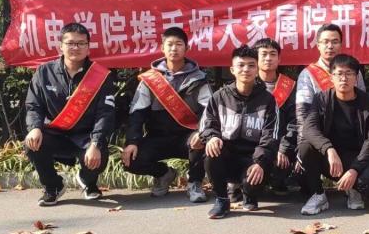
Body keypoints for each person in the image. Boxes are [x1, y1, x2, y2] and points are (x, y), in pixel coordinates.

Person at [24, 22, 116, 206]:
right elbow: (34, 105)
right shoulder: (44, 72)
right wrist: (35, 128)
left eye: (81, 43)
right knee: (32, 144)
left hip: (86, 136)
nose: (76, 47)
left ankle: (87, 180)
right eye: (71, 43)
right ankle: (53, 186)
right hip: (56, 134)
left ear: (88, 47)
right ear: (61, 46)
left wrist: (96, 142)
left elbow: (105, 113)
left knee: (100, 154)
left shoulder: (101, 76)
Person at [121, 26, 211, 201]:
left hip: (187, 136)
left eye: (179, 44)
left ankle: (195, 182)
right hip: (157, 137)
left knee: (205, 143)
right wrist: (132, 142)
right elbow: (137, 114)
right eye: (169, 44)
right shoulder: (150, 79)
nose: (174, 48)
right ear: (162, 48)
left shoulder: (199, 78)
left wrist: (202, 133)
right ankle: (164, 174)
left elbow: (208, 112)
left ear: (187, 48)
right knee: (131, 159)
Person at [199, 46, 279, 219]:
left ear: (257, 69)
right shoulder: (219, 97)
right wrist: (212, 137)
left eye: (251, 65)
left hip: (253, 160)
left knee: (254, 180)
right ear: (232, 70)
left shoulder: (268, 100)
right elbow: (207, 124)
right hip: (227, 157)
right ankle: (222, 199)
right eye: (241, 65)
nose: (246, 70)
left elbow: (271, 136)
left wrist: (260, 162)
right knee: (211, 151)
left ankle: (249, 194)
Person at [298, 54, 369, 215]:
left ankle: (353, 189)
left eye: (349, 73)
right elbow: (309, 129)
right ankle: (318, 194)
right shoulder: (321, 99)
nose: (344, 78)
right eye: (339, 74)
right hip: (330, 158)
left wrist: (355, 169)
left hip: (355, 157)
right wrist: (329, 149)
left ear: (356, 78)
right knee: (305, 147)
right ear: (331, 77)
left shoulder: (368, 102)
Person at [294, 23, 366, 136]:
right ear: (318, 45)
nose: (330, 46)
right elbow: (303, 113)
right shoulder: (307, 74)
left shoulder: (354, 71)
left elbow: (363, 104)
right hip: (321, 135)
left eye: (335, 42)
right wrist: (305, 142)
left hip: (352, 133)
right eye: (325, 42)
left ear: (341, 45)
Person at [250, 37, 298, 196]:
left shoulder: (290, 86)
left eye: (272, 54)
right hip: (252, 142)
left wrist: (283, 147)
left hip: (281, 142)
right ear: (256, 58)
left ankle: (278, 180)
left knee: (280, 169)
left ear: (279, 59)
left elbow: (295, 122)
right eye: (263, 54)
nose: (268, 58)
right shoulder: (247, 84)